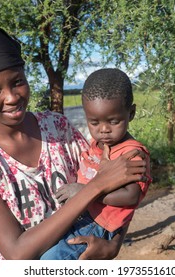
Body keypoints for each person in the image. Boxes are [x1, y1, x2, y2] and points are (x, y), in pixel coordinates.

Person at [0, 27, 147, 260]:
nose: (12, 97)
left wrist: (114, 242)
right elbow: (17, 253)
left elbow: (118, 178)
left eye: (17, 82)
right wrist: (94, 188)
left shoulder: (57, 128)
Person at [40, 68, 151, 260]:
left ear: (131, 113)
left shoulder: (132, 153)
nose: (104, 130)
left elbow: (131, 197)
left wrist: (83, 191)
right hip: (81, 216)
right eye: (94, 122)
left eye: (113, 121)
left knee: (50, 260)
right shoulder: (97, 145)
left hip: (99, 225)